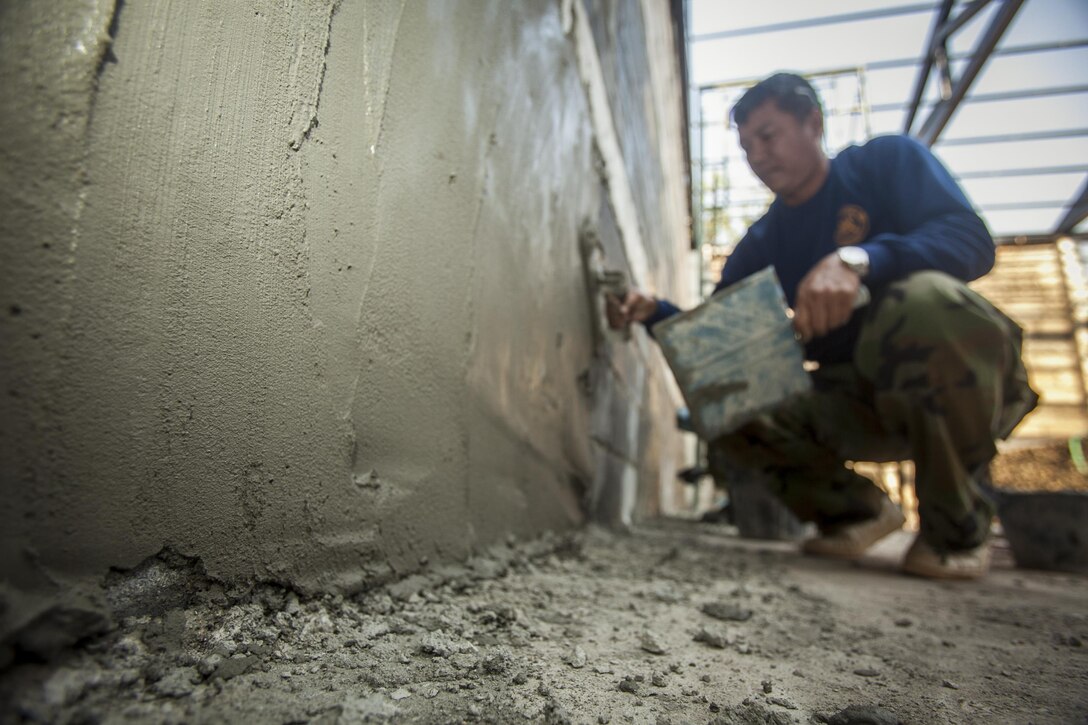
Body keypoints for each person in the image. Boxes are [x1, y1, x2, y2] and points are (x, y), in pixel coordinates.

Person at [607, 72, 1037, 579]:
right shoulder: (763, 243)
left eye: (767, 136)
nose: (758, 156)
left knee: (924, 299)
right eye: (746, 147)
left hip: (955, 381)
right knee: (723, 397)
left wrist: (860, 260)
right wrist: (654, 311)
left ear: (813, 122)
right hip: (855, 400)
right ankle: (857, 513)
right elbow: (718, 342)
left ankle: (957, 529)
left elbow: (970, 240)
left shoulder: (885, 163)